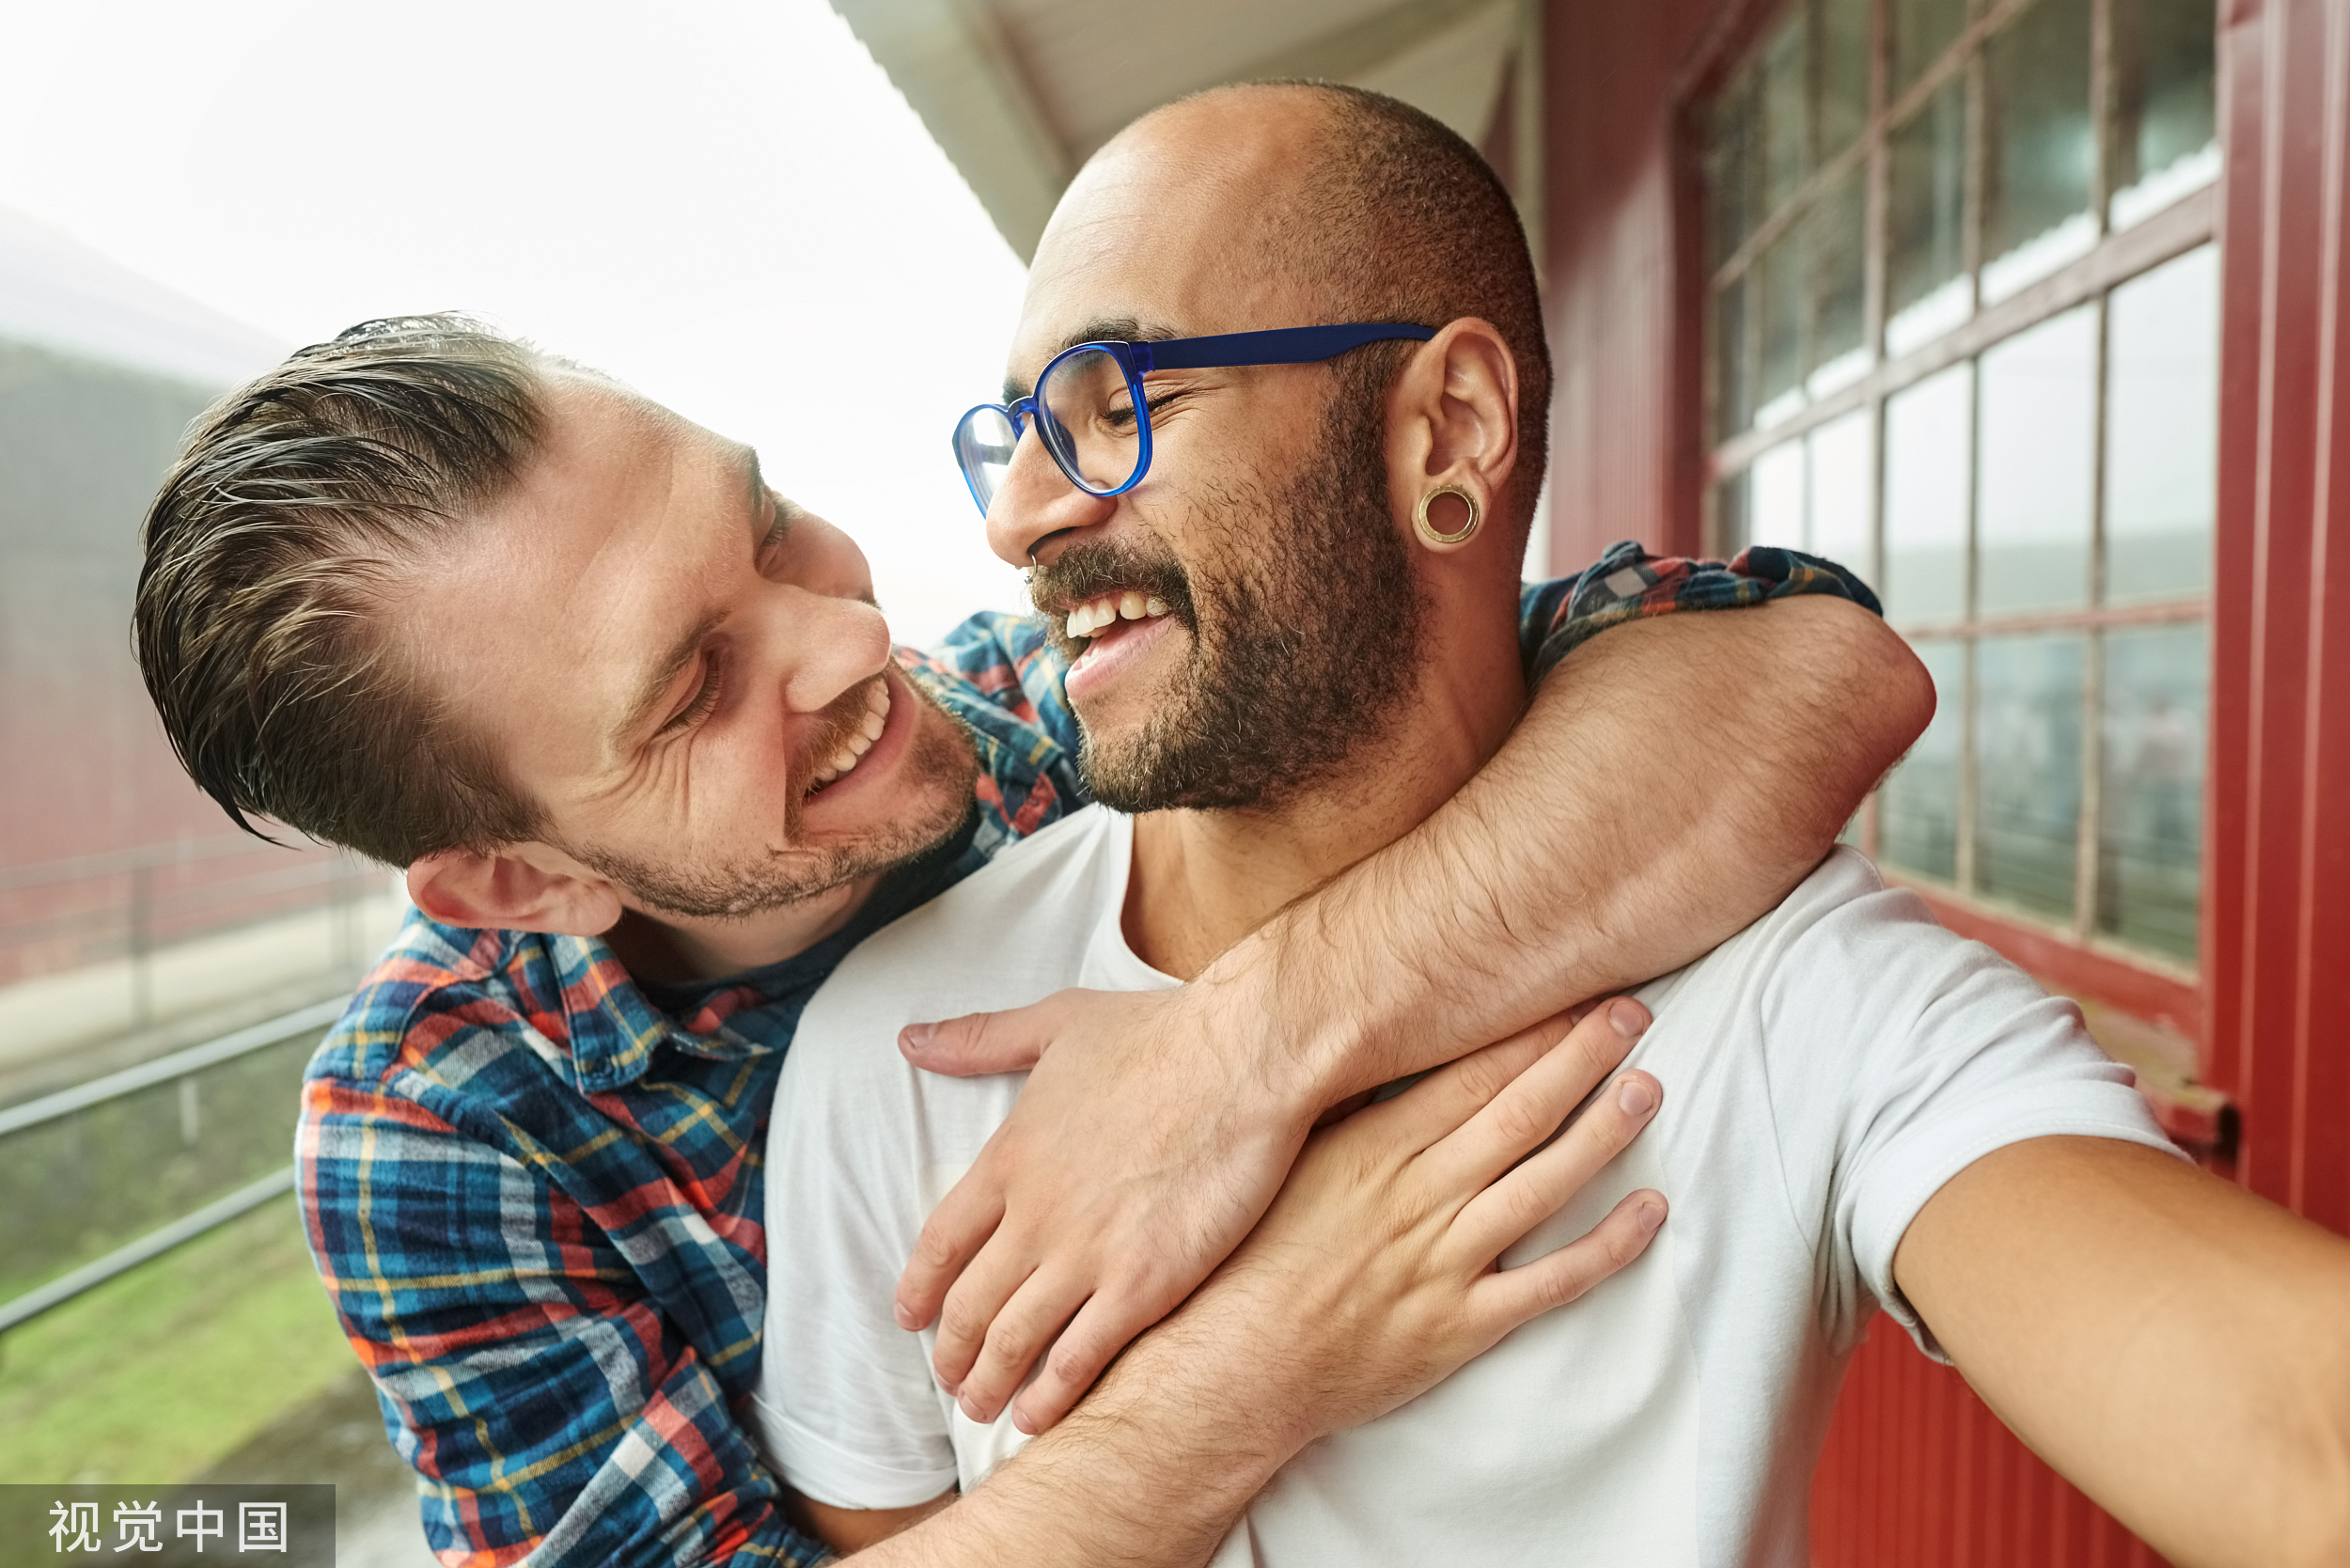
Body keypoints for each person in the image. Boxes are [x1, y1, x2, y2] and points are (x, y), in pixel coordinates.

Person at [128, 165, 1927, 1568]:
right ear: (521, 883)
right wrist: (1269, 1352)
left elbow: (1804, 668)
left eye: (764, 527)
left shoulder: (1075, 709)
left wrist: (1242, 1053)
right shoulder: (438, 1127)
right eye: (693, 692)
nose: (843, 645)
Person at [754, 83, 2350, 1568]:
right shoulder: (899, 1041)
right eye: (1015, 427)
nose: (1018, 515)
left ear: (1444, 432)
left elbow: (2299, 1432)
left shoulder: (1795, 993)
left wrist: (1245, 1051)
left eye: (1112, 404)